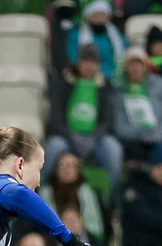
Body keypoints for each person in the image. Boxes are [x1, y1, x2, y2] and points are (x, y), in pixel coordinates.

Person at [43, 43, 123, 205]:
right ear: (78, 63)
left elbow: (107, 120)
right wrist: (73, 138)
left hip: (95, 138)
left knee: (113, 149)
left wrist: (93, 138)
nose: (90, 66)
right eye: (86, 61)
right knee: (53, 148)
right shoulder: (63, 83)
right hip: (67, 137)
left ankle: (114, 203)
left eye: (94, 62)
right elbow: (56, 118)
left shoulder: (105, 86)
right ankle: (41, 194)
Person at [113, 46, 162, 167]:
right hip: (134, 140)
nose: (135, 68)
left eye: (139, 64)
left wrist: (159, 132)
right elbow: (119, 126)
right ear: (125, 67)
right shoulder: (119, 92)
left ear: (145, 66)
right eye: (131, 64)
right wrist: (143, 135)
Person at [40, 151, 106, 246]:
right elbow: (42, 223)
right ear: (55, 169)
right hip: (52, 241)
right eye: (62, 165)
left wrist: (78, 227)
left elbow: (95, 227)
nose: (68, 169)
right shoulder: (46, 192)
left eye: (72, 165)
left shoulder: (85, 191)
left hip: (82, 239)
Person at [64, 0, 127, 80]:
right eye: (96, 15)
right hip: (86, 76)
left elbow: (124, 55)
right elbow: (74, 58)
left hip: (113, 78)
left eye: (103, 15)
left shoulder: (117, 37)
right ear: (88, 16)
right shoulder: (76, 36)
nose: (100, 19)